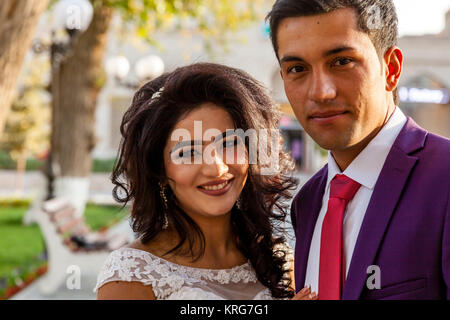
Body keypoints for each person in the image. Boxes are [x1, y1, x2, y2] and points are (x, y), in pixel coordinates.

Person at [266, 0, 450, 300]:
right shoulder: (307, 203)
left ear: (390, 69)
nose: (321, 92)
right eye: (297, 68)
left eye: (341, 62)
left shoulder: (444, 179)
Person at [94, 62, 316, 300]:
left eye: (229, 143)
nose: (216, 168)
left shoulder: (280, 261)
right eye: (188, 152)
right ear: (158, 169)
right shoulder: (130, 275)